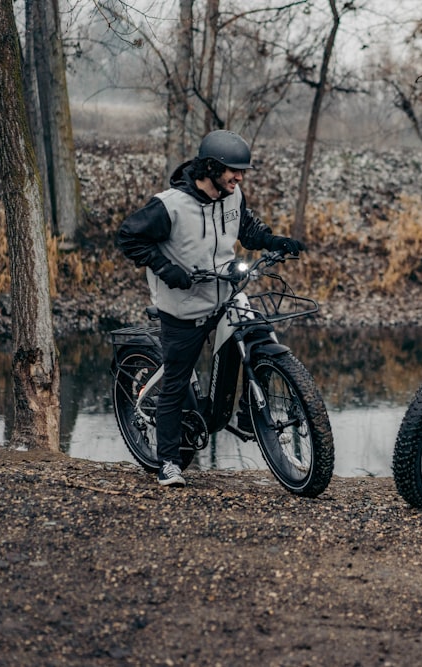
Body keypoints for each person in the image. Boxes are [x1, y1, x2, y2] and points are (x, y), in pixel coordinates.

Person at [117, 130, 305, 487]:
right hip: (183, 304)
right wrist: (166, 269)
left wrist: (274, 241)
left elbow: (246, 230)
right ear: (211, 168)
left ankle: (254, 414)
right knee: (176, 380)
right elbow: (129, 236)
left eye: (242, 172)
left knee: (258, 331)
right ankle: (169, 461)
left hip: (225, 291)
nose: (240, 177)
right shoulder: (169, 205)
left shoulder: (232, 196)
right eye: (234, 170)